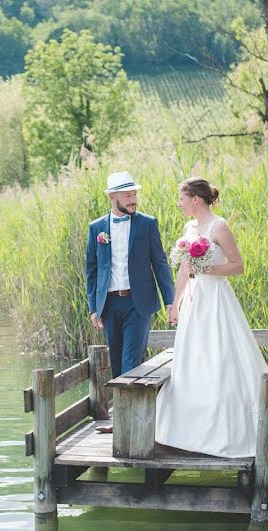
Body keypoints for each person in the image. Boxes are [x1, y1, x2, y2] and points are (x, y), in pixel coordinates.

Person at [155, 176, 268, 457]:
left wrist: (207, 271)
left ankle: (231, 432)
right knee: (193, 360)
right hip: (195, 303)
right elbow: (184, 270)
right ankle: (188, 432)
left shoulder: (219, 226)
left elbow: (238, 266)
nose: (179, 203)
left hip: (217, 300)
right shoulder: (188, 227)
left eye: (182, 198)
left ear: (196, 199)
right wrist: (175, 303)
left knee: (220, 358)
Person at [86, 171, 175, 435]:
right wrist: (93, 307)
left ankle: (128, 422)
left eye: (135, 193)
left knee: (131, 362)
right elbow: (91, 270)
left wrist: (170, 301)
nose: (133, 198)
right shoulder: (97, 228)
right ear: (113, 197)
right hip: (110, 304)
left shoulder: (147, 224)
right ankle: (125, 418)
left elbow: (159, 263)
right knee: (116, 361)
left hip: (139, 303)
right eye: (128, 194)